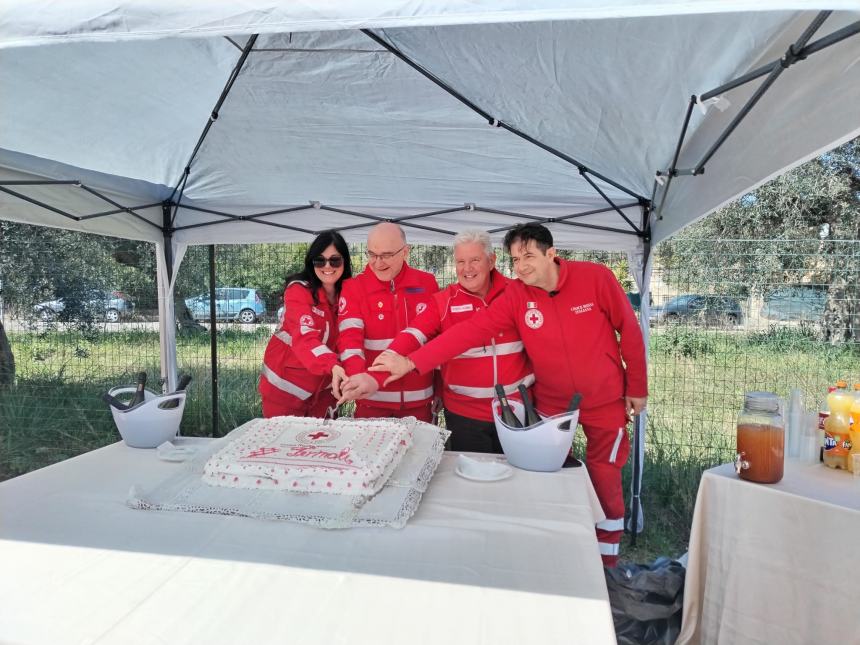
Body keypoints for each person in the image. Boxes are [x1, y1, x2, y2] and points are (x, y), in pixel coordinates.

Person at [371, 223, 647, 566]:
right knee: (548, 478)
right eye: (515, 259)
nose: (521, 266)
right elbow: (469, 333)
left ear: (551, 253)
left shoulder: (595, 278)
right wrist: (411, 362)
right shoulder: (518, 294)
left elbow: (630, 331)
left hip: (605, 400)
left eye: (528, 256)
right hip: (549, 403)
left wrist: (637, 387)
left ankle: (607, 562)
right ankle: (556, 549)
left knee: (605, 476)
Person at [382, 229, 533, 453]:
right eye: (460, 261)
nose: (467, 269)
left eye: (474, 260)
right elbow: (413, 333)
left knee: (517, 480)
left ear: (491, 261)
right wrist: (388, 358)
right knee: (471, 484)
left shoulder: (518, 292)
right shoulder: (443, 301)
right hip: (465, 416)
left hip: (516, 408)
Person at [333, 222, 439, 421]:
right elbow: (350, 342)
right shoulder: (354, 287)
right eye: (372, 254)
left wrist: (441, 388)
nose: (377, 263)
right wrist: (357, 379)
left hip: (419, 403)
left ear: (405, 252)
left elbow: (437, 339)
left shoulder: (427, 283)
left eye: (386, 255)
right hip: (371, 401)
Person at [258, 230, 352, 418]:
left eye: (335, 260)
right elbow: (305, 337)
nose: (327, 266)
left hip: (325, 392)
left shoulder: (349, 294)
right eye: (320, 260)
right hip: (285, 390)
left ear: (345, 262)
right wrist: (333, 365)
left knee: (323, 444)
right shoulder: (299, 291)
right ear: (311, 262)